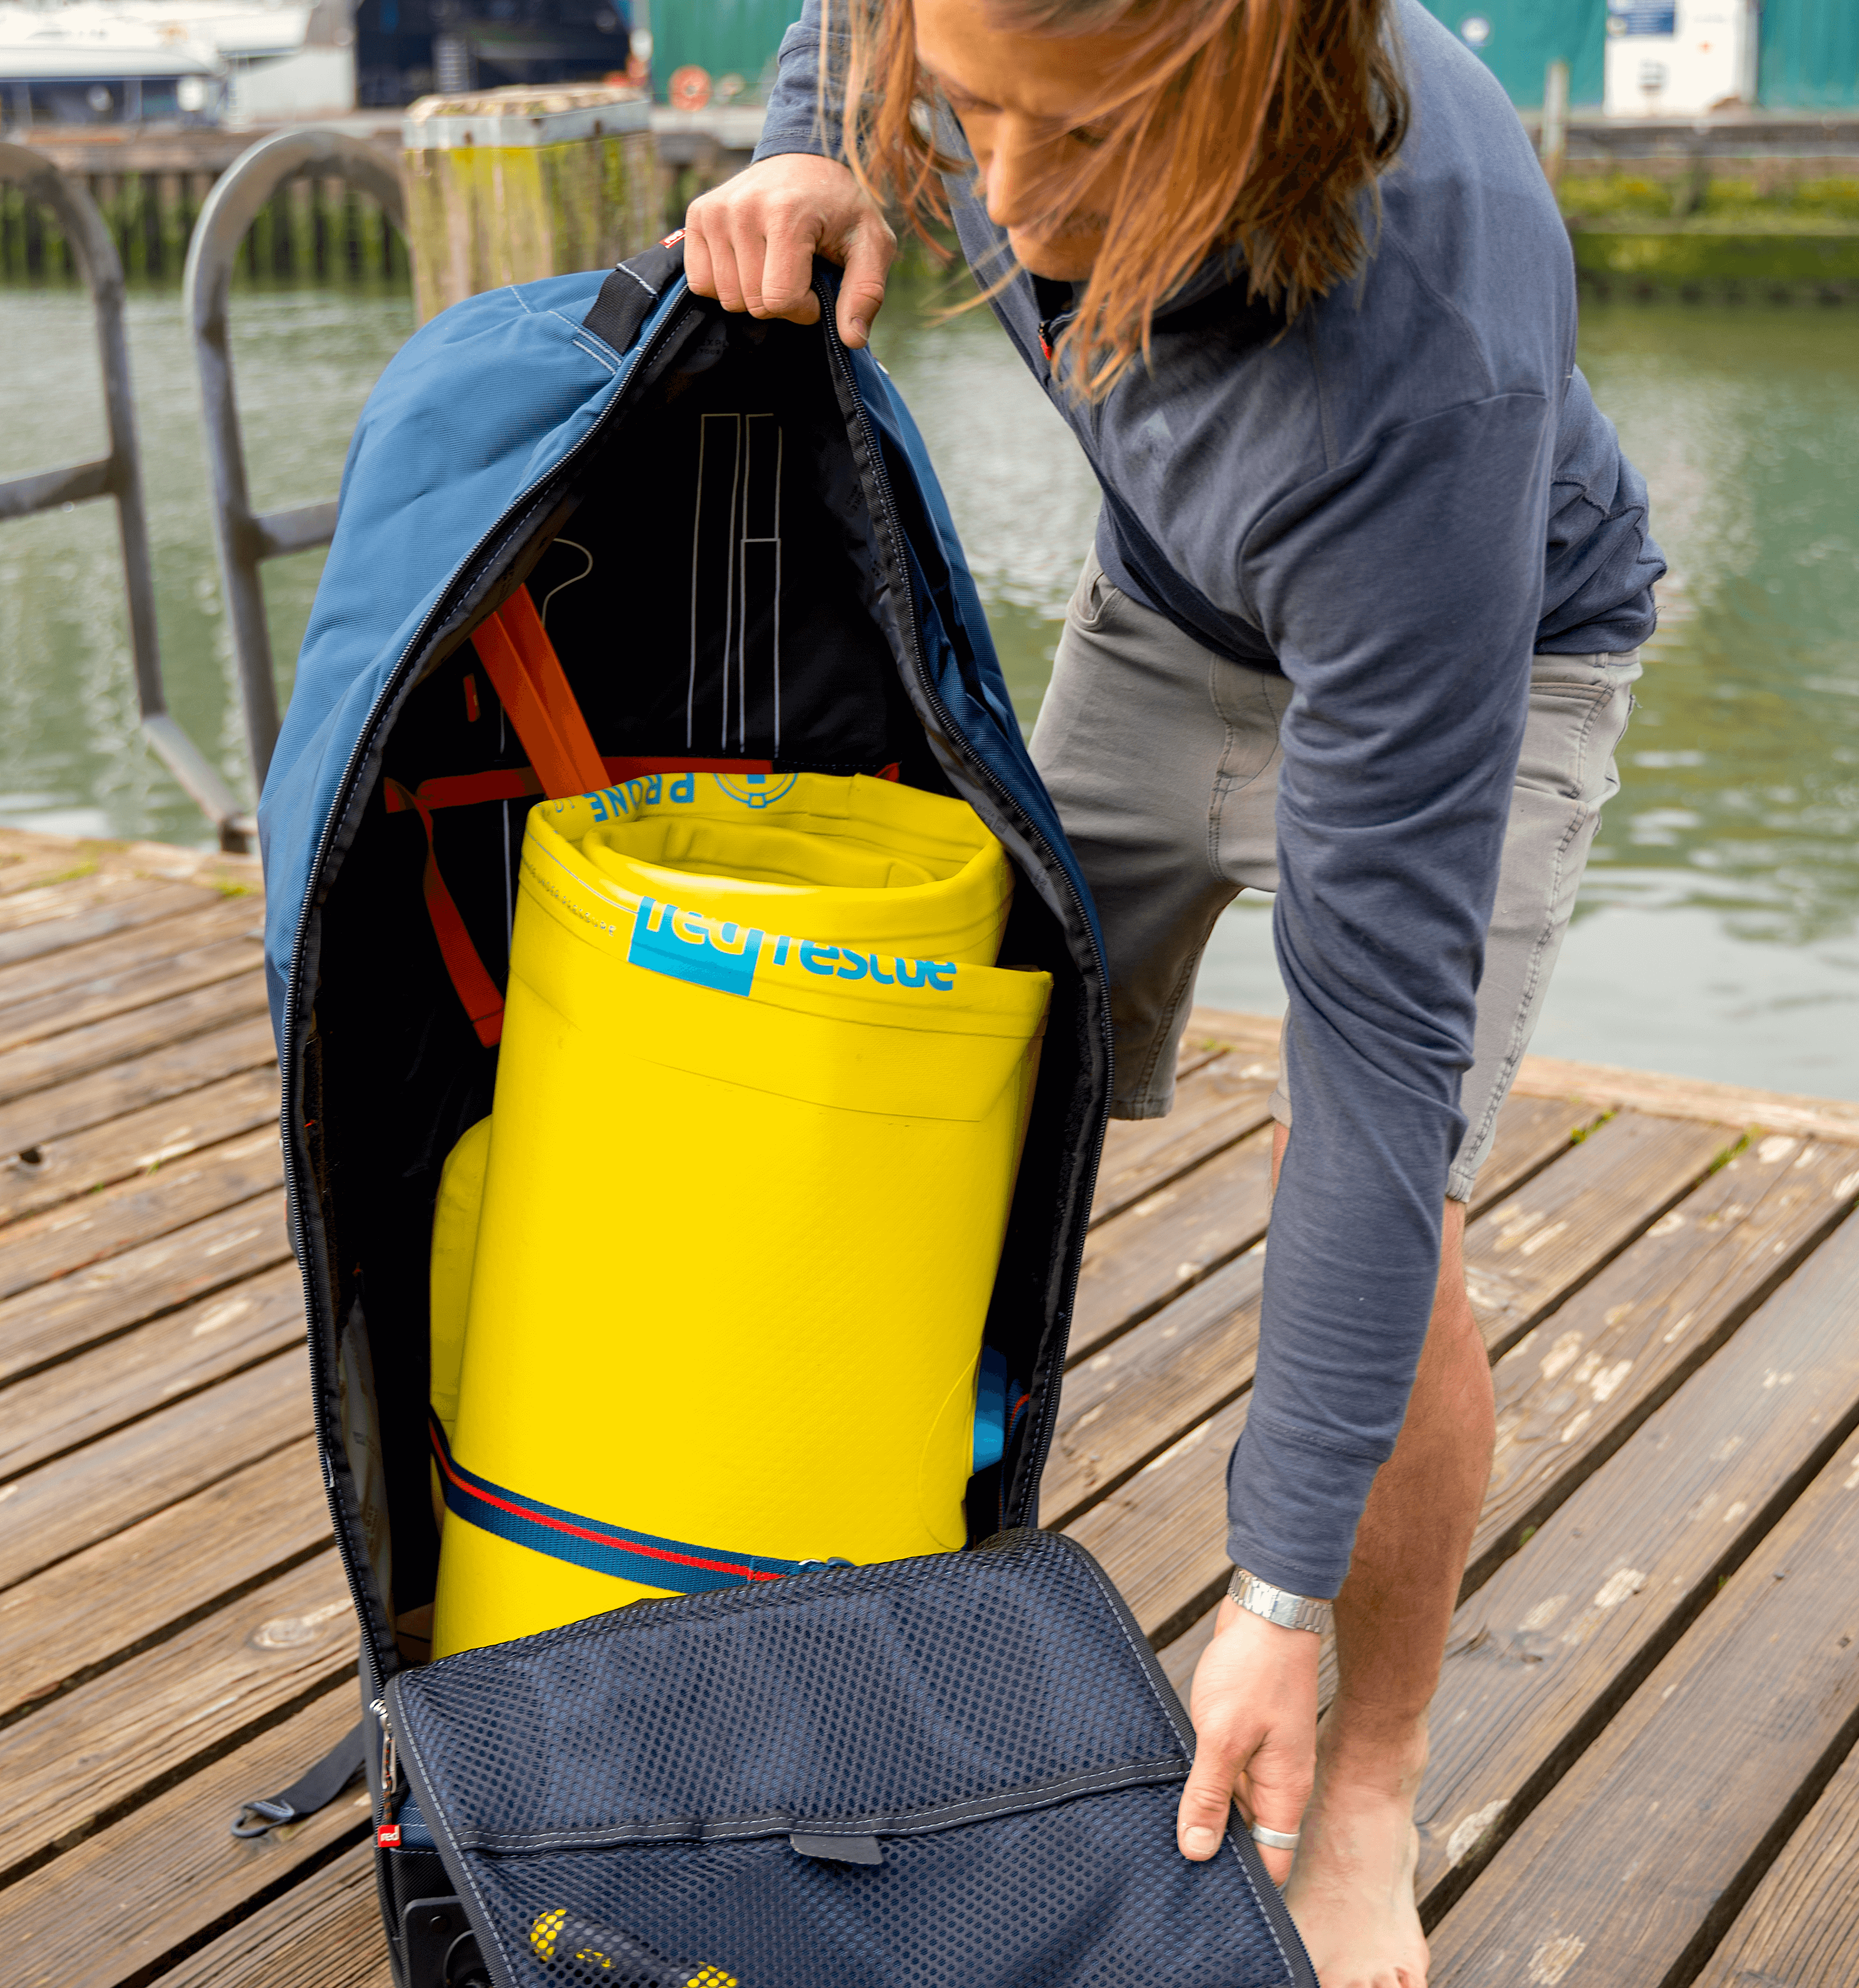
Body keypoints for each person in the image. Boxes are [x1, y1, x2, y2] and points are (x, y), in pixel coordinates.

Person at [683, 1, 1663, 1980]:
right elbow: (852, 24)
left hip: (1470, 640)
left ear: (1257, 93)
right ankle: (859, 1611)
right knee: (969, 1068)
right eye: (977, 122)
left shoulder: (1432, 362)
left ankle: (1371, 1793)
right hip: (1160, 605)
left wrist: (1275, 1596)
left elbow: (1381, 1075)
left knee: (1383, 1190)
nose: (1022, 220)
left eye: (1098, 144)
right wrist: (820, 146)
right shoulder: (965, 41)